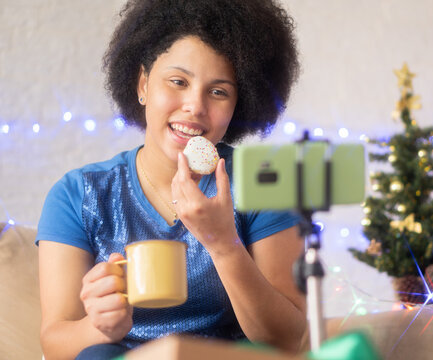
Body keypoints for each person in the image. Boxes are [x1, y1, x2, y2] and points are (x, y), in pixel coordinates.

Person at [36, 0, 306, 359]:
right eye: (178, 81)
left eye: (218, 91)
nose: (195, 106)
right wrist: (98, 326)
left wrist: (223, 244)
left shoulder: (263, 180)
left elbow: (290, 341)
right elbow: (54, 341)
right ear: (143, 84)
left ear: (239, 104)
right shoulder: (78, 194)